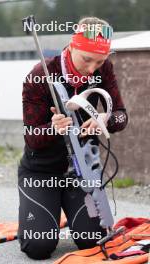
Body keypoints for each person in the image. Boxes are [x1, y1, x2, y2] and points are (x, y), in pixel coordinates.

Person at [18, 16, 128, 260]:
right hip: (42, 171)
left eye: (99, 61)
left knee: (92, 240)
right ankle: (44, 211)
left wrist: (104, 119)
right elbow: (32, 138)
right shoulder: (39, 75)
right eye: (86, 59)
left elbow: (122, 116)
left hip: (81, 171)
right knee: (38, 246)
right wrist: (51, 128)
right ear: (72, 45)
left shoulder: (103, 69)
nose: (91, 69)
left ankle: (68, 208)